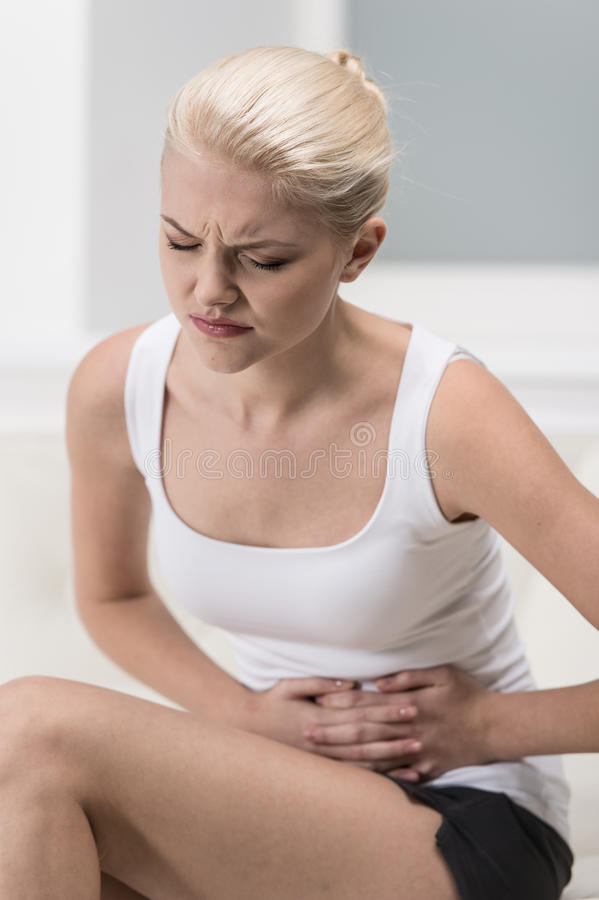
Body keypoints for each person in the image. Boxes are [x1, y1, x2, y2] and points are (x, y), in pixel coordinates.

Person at [2, 43, 598, 900]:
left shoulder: (444, 411)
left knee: (26, 729)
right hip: (270, 791)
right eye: (179, 241)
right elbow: (115, 597)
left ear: (357, 253)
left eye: (263, 259)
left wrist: (486, 724)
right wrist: (245, 716)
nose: (208, 290)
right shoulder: (120, 387)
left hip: (458, 819)